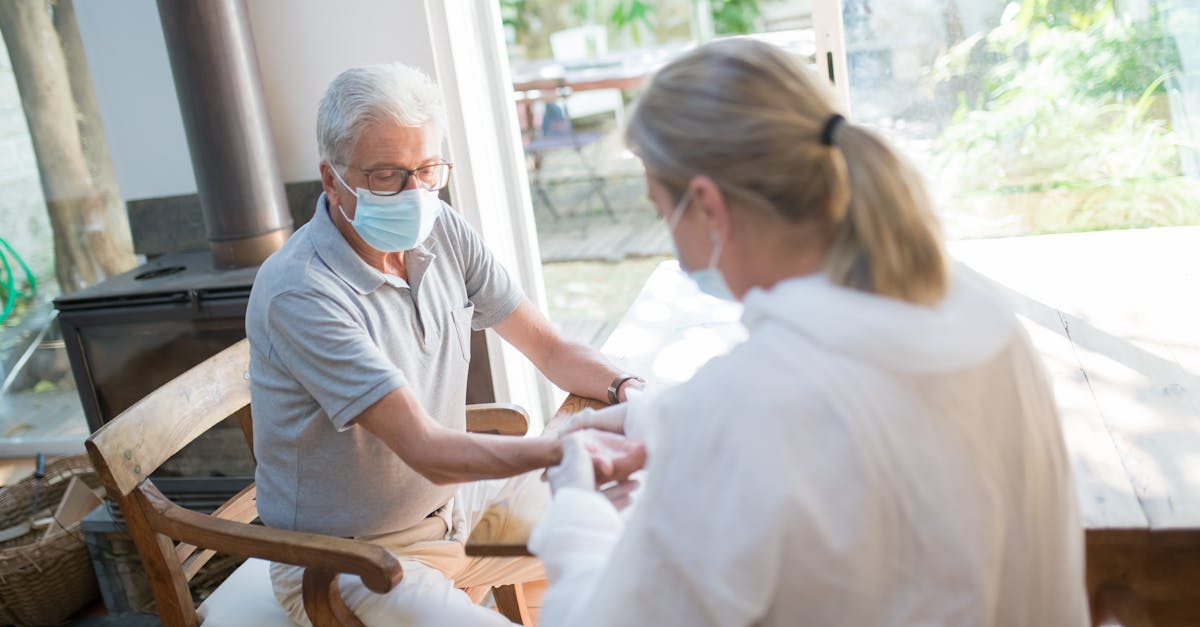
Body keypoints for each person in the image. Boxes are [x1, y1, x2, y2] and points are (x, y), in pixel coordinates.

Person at [529, 38, 1089, 626]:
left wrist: (577, 509)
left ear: (708, 206)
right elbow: (862, 426)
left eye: (660, 209)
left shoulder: (749, 405)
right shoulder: (980, 318)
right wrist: (656, 419)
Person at [245, 62, 643, 626]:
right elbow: (428, 449)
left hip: (456, 506)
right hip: (349, 559)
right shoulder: (301, 291)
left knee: (646, 520)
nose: (415, 193)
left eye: (428, 170)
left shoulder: (440, 227)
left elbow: (550, 349)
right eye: (387, 175)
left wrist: (629, 389)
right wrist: (567, 448)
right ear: (332, 179)